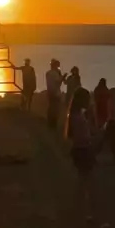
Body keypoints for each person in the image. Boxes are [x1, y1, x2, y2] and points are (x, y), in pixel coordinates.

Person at [66, 87, 97, 219]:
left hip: (79, 150)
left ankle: (80, 210)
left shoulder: (75, 115)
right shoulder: (78, 117)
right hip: (83, 150)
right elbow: (84, 135)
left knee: (83, 181)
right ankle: (86, 212)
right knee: (87, 182)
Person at [45, 59, 66, 130]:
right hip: (55, 93)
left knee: (51, 108)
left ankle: (50, 123)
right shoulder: (54, 73)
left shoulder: (48, 73)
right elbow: (58, 82)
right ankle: (53, 124)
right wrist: (63, 77)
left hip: (50, 92)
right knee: (55, 109)